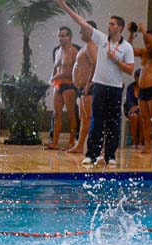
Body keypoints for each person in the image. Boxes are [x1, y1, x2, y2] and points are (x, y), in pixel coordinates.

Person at [57, 0, 135, 168]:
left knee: (113, 123)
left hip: (115, 88)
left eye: (113, 24)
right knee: (96, 120)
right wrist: (65, 7)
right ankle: (91, 154)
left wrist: (116, 61)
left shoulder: (127, 47)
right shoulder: (101, 39)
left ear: (120, 27)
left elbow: (130, 69)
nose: (109, 26)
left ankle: (110, 155)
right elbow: (82, 22)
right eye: (108, 24)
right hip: (99, 85)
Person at [132, 24, 152, 155]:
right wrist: (131, 35)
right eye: (146, 43)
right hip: (142, 91)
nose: (147, 45)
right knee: (144, 119)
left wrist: (145, 32)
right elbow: (129, 50)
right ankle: (147, 145)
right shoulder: (143, 53)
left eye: (149, 42)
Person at [65, 21, 96, 155]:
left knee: (89, 118)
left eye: (82, 31)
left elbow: (95, 64)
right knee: (84, 118)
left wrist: (88, 83)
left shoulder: (91, 46)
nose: (80, 33)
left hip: (88, 88)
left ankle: (92, 146)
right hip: (83, 88)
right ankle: (80, 145)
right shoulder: (87, 46)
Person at [48, 26, 79, 150]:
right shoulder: (57, 51)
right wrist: (52, 78)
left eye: (63, 35)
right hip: (58, 85)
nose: (61, 38)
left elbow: (74, 71)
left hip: (69, 85)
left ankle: (72, 141)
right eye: (59, 36)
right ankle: (54, 142)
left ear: (69, 37)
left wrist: (59, 75)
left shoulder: (74, 52)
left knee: (71, 114)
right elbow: (55, 67)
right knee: (57, 114)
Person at [124, 73, 142, 148]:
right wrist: (133, 107)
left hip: (142, 109)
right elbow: (128, 101)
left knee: (141, 116)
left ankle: (141, 142)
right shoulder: (130, 87)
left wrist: (139, 107)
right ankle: (134, 142)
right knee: (134, 116)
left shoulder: (145, 87)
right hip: (131, 109)